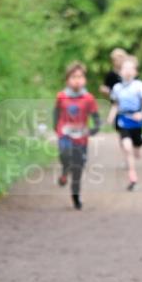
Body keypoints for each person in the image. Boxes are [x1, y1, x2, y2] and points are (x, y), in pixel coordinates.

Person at [54, 61, 100, 210]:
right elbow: (56, 113)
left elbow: (96, 117)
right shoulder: (61, 96)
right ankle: (64, 170)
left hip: (81, 137)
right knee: (65, 153)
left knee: (78, 168)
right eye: (73, 77)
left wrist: (93, 130)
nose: (77, 80)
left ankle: (75, 195)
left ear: (84, 79)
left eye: (80, 77)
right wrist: (57, 129)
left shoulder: (89, 98)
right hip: (65, 134)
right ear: (67, 79)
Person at [107, 56, 142, 191]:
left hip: (137, 119)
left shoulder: (139, 86)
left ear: (135, 72)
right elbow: (116, 104)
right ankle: (133, 178)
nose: (127, 71)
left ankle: (139, 143)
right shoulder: (116, 88)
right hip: (123, 119)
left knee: (137, 143)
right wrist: (111, 116)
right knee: (127, 147)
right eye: (124, 68)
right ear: (120, 71)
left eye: (130, 68)